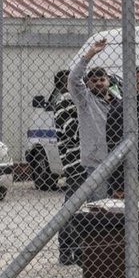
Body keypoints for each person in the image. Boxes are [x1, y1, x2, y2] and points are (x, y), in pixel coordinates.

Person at [66, 38, 118, 197]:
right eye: (94, 81)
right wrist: (89, 54)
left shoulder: (117, 101)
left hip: (117, 162)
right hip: (97, 164)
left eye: (102, 80)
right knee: (99, 209)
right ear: (88, 84)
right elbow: (74, 80)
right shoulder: (85, 100)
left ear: (109, 81)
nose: (99, 83)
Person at [105, 66, 139, 199]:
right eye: (138, 82)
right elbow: (115, 149)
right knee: (129, 217)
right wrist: (118, 185)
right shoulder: (121, 110)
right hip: (127, 179)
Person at [53, 69, 84, 265]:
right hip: (75, 163)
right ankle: (66, 250)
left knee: (81, 209)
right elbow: (76, 132)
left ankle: (78, 251)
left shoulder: (77, 101)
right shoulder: (64, 104)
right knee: (71, 208)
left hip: (84, 162)